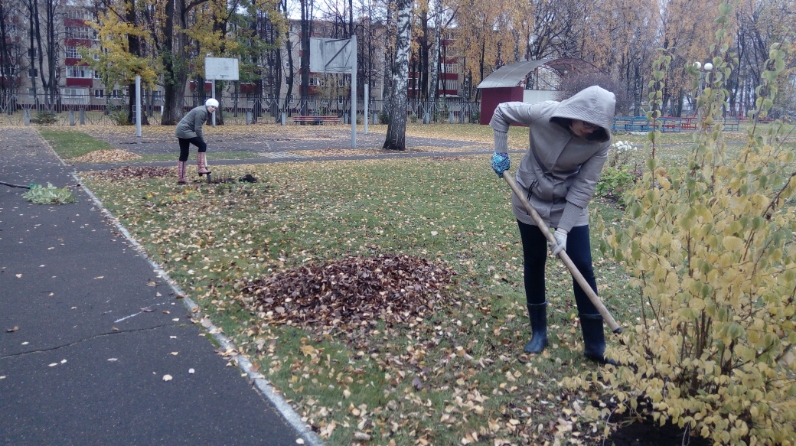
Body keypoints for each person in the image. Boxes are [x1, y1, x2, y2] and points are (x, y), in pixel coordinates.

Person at [489, 85, 616, 364]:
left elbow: (585, 186)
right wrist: (501, 152)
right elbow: (501, 112)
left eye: (596, 127)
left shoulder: (599, 142)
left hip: (568, 204)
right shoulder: (544, 113)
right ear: (576, 112)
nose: (590, 131)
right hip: (528, 196)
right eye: (587, 124)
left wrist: (564, 229)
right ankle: (539, 333)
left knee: (582, 266)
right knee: (535, 261)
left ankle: (595, 346)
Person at [174, 98, 218, 184]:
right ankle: (201, 168)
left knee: (184, 153)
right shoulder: (202, 111)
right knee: (202, 145)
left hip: (181, 130)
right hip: (184, 130)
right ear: (208, 105)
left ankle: (181, 178)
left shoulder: (204, 111)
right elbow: (197, 128)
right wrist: (201, 140)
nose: (214, 109)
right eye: (212, 107)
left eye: (215, 108)